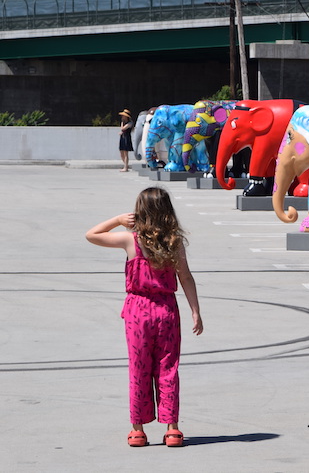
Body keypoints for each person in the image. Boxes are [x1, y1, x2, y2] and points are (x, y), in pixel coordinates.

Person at [85, 186, 203, 448]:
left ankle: (138, 429)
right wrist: (195, 310)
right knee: (167, 368)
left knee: (139, 368)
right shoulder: (174, 242)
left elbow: (91, 235)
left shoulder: (131, 240)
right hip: (166, 310)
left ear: (140, 212)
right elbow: (185, 277)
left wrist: (117, 220)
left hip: (138, 311)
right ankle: (172, 428)